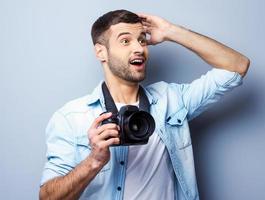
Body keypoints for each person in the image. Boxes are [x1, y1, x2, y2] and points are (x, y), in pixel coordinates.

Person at [39, 9, 250, 200]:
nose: (139, 48)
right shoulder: (70, 117)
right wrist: (93, 161)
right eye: (125, 41)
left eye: (142, 40)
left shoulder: (171, 99)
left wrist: (171, 31)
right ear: (101, 52)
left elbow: (237, 66)